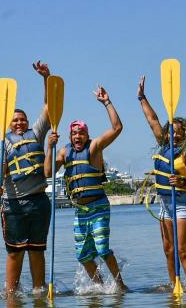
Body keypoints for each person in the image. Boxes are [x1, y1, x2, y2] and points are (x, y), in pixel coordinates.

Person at [45, 86, 127, 290]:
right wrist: (49, 147)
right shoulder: (64, 152)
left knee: (102, 248)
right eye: (74, 134)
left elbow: (117, 128)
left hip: (98, 207)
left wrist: (106, 102)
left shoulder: (94, 147)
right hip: (80, 211)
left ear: (86, 134)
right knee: (83, 255)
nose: (77, 136)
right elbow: (47, 172)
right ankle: (99, 287)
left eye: (81, 133)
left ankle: (119, 285)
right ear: (70, 136)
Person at [138, 75, 186, 290]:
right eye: (172, 130)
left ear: (185, 133)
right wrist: (142, 97)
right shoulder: (164, 144)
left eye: (178, 131)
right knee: (168, 249)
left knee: (182, 249)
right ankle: (175, 286)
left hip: (184, 202)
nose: (174, 134)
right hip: (165, 204)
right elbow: (152, 120)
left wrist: (182, 179)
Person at [0, 61, 52, 294]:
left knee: (37, 250)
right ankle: (11, 294)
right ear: (8, 123)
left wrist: (46, 78)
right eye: (15, 120)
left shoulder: (36, 134)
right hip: (13, 204)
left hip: (38, 201)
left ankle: (38, 290)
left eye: (22, 119)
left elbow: (48, 107)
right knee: (15, 252)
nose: (19, 123)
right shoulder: (2, 142)